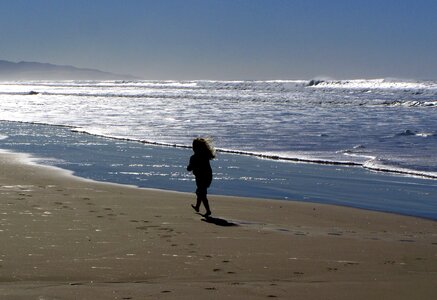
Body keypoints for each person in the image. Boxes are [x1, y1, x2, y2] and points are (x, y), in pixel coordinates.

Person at [187, 137, 216, 217]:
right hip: (208, 176)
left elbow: (189, 168)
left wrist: (190, 167)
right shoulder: (205, 156)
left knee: (201, 193)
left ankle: (208, 210)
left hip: (201, 178)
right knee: (201, 192)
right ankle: (197, 207)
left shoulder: (194, 157)